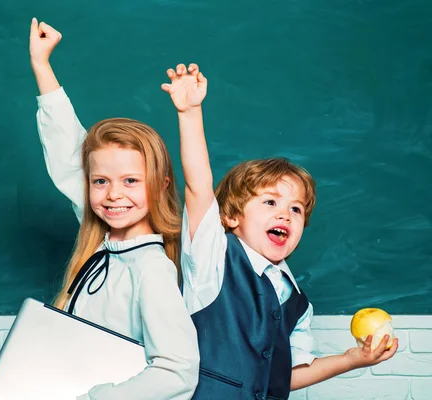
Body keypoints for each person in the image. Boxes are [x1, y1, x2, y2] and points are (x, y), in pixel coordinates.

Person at [161, 62, 399, 399]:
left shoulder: (296, 300)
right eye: (270, 203)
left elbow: (284, 377)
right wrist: (190, 112)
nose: (285, 215)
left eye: (296, 209)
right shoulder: (212, 258)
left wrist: (352, 359)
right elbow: (198, 186)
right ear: (230, 217)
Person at [28, 18, 200, 399]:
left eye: (131, 181)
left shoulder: (151, 269)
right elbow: (67, 153)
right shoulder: (102, 241)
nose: (113, 195)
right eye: (100, 181)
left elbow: (178, 373)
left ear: (161, 185)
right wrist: (42, 65)